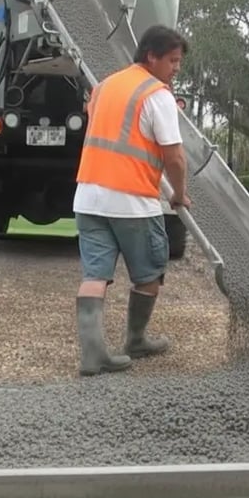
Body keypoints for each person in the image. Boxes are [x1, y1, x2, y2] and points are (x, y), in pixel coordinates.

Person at [72, 24, 191, 376]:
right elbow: (175, 158)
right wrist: (180, 195)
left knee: (95, 274)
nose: (176, 68)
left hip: (88, 197)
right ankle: (136, 341)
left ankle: (92, 355)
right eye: (172, 60)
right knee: (150, 272)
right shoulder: (157, 95)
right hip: (133, 201)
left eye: (179, 62)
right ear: (150, 56)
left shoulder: (105, 86)